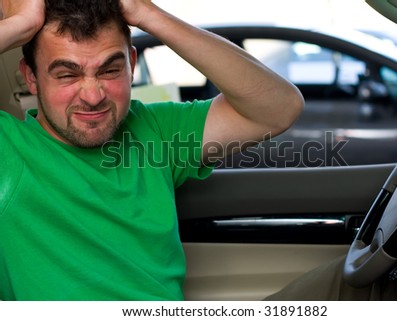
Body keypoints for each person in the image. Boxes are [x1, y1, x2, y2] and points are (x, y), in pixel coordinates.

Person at [0, 0, 303, 300]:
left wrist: (148, 14)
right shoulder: (10, 149)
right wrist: (19, 25)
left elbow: (278, 108)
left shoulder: (155, 128)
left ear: (132, 64)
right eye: (67, 75)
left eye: (109, 71)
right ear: (31, 77)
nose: (92, 96)